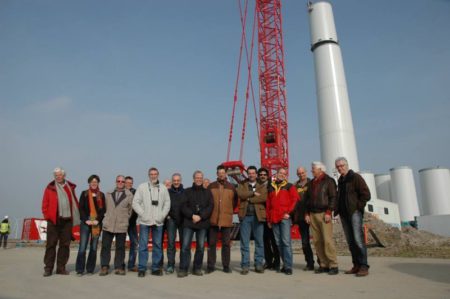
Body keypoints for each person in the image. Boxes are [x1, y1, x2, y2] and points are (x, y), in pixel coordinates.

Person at [335, 157, 371, 277]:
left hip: (354, 213)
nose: (340, 168)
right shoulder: (341, 180)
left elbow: (366, 194)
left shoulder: (355, 177)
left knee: (358, 239)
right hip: (344, 214)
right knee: (350, 242)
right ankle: (356, 265)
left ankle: (364, 266)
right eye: (338, 166)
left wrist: (358, 207)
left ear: (347, 165)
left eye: (342, 165)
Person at [42, 167, 80, 277]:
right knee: (51, 245)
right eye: (56, 175)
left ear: (64, 176)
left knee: (65, 245)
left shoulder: (70, 187)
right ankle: (48, 268)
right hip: (53, 220)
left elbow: (74, 201)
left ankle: (61, 268)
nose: (58, 177)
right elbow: (45, 203)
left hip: (67, 221)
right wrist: (47, 216)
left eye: (59, 175)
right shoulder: (50, 188)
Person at [133, 167, 171, 277]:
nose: (153, 176)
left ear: (158, 175)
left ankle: (155, 268)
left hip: (158, 222)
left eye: (155, 174)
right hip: (145, 221)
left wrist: (162, 216)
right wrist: (143, 214)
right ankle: (142, 268)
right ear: (148, 175)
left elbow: (167, 204)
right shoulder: (142, 187)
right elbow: (135, 202)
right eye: (151, 174)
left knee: (157, 245)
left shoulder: (163, 188)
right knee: (143, 246)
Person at [304, 162, 339, 275]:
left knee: (327, 240)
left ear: (321, 169)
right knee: (317, 241)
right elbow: (307, 200)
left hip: (324, 214)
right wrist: (307, 214)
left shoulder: (329, 181)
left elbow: (333, 197)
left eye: (313, 169)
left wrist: (329, 212)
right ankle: (323, 264)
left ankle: (333, 265)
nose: (311, 170)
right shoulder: (311, 183)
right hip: (313, 214)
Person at [178, 170, 214, 278]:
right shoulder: (187, 191)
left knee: (201, 247)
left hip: (202, 223)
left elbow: (210, 206)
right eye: (197, 177)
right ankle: (183, 268)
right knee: (185, 246)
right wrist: (192, 215)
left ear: (202, 179)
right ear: (193, 179)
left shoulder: (208, 192)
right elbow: (183, 206)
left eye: (200, 177)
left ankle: (197, 268)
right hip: (189, 222)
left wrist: (201, 216)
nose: (199, 179)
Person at [266, 167, 299, 275]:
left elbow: (295, 200)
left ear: (286, 176)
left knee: (286, 242)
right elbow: (268, 205)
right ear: (277, 173)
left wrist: (288, 213)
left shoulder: (290, 186)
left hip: (284, 218)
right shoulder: (271, 187)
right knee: (278, 243)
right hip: (274, 218)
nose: (282, 175)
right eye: (280, 173)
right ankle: (285, 264)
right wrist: (268, 220)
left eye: (284, 174)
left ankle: (288, 266)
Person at [99, 175, 133, 276]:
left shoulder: (129, 195)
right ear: (115, 182)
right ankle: (104, 266)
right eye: (118, 181)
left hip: (121, 225)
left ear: (124, 183)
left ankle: (118, 267)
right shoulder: (108, 193)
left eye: (122, 181)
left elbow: (130, 210)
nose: (120, 183)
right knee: (105, 246)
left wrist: (124, 218)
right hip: (108, 224)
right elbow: (105, 207)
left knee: (120, 247)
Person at [206, 165, 238, 274]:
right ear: (217, 174)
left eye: (223, 173)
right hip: (213, 219)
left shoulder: (231, 187)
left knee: (226, 244)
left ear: (225, 174)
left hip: (226, 219)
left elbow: (234, 202)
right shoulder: (211, 186)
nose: (221, 175)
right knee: (211, 243)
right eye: (219, 173)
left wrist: (227, 212)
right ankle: (210, 266)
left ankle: (226, 266)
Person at [236, 166, 267, 275]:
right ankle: (245, 265)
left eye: (253, 173)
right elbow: (240, 194)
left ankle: (258, 264)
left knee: (259, 242)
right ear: (247, 174)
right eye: (249, 173)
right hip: (245, 216)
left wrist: (249, 199)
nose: (251, 175)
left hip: (258, 217)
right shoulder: (243, 184)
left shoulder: (262, 185)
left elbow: (263, 197)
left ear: (256, 174)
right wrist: (253, 193)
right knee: (244, 243)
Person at [75, 175, 106, 276]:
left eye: (96, 182)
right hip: (85, 223)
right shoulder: (84, 194)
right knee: (83, 246)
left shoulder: (101, 195)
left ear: (98, 183)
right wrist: (86, 220)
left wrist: (97, 220)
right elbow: (81, 208)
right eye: (92, 181)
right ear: (89, 183)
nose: (94, 183)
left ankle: (90, 269)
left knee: (93, 247)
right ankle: (80, 269)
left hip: (97, 224)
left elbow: (103, 210)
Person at [292, 166, 316, 271]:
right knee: (305, 242)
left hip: (312, 214)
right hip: (301, 217)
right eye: (299, 173)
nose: (301, 175)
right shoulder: (295, 186)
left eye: (303, 173)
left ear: (306, 172)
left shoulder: (312, 183)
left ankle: (323, 263)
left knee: (318, 240)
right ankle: (310, 263)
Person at [164, 173, 187, 274]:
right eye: (174, 180)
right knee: (171, 243)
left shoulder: (186, 192)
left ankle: (183, 265)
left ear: (181, 181)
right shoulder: (167, 192)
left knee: (184, 244)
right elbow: (164, 204)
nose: (176, 182)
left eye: (178, 180)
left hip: (183, 220)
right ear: (172, 181)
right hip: (171, 220)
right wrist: (167, 215)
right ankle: (170, 265)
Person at [259, 168, 280, 271]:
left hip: (270, 217)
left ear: (267, 176)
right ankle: (268, 262)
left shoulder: (272, 186)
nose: (262, 176)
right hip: (261, 217)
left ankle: (277, 262)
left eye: (264, 174)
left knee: (274, 241)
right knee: (265, 241)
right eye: (261, 174)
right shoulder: (257, 186)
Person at [125, 176, 138, 272]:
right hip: (121, 222)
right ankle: (120, 264)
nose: (129, 184)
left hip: (132, 221)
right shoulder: (120, 192)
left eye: (131, 183)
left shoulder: (136, 192)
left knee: (134, 243)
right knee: (120, 244)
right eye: (127, 182)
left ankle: (131, 264)